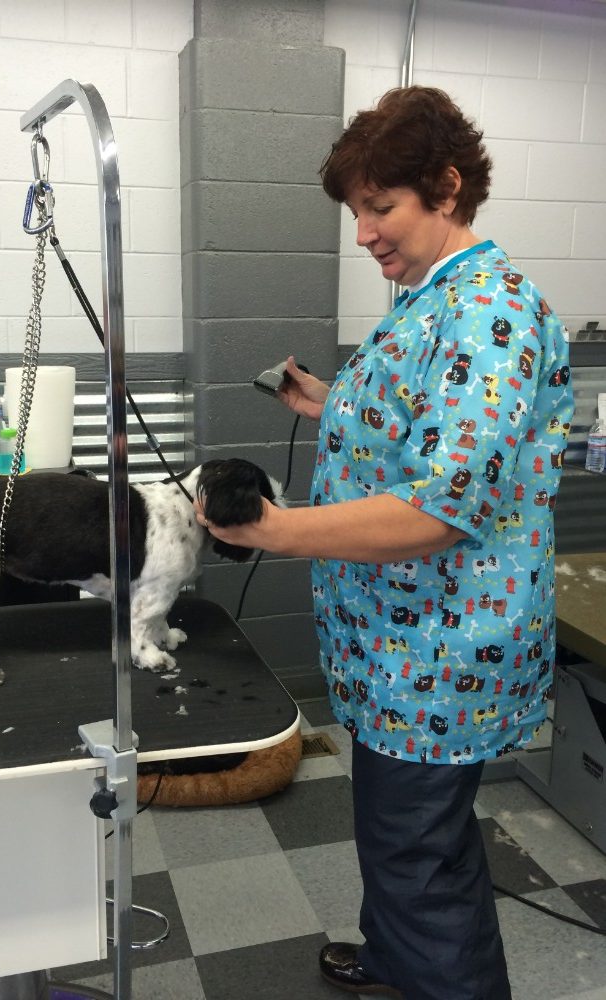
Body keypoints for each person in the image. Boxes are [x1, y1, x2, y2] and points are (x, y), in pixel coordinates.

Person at [194, 86, 574, 1000]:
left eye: (380, 207)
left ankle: (438, 977)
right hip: (395, 639)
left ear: (446, 186)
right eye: (356, 212)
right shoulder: (428, 298)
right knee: (401, 831)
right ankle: (398, 958)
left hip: (442, 648)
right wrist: (331, 403)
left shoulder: (487, 311)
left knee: (419, 850)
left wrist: (275, 529)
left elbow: (437, 510)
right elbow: (427, 424)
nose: (363, 233)